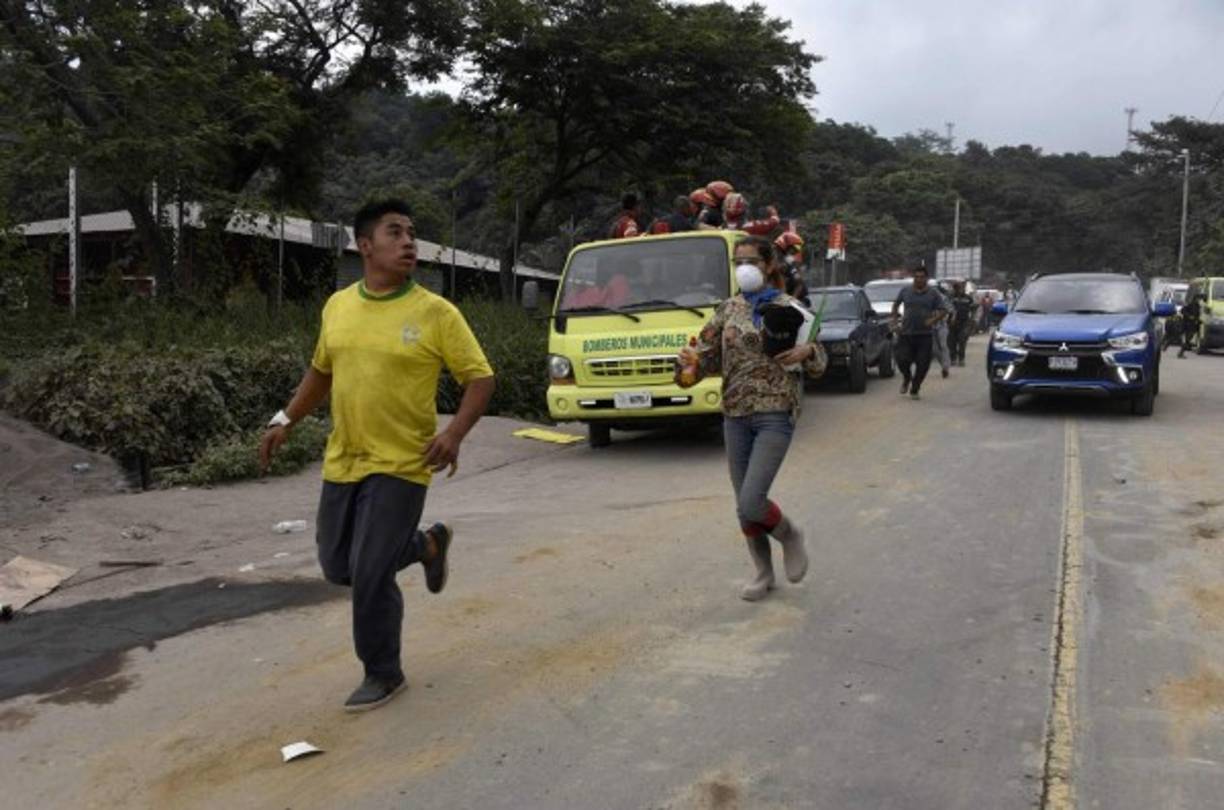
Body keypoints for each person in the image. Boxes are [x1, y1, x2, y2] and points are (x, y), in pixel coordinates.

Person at [258, 199, 496, 712]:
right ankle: (428, 546)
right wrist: (285, 419)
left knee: (369, 573)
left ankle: (383, 672)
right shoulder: (338, 306)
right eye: (395, 233)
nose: (409, 241)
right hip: (344, 459)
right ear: (365, 245)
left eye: (412, 233)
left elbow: (480, 377)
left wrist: (454, 434)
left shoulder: (435, 312)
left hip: (404, 463)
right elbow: (321, 371)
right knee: (337, 566)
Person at [676, 236, 825, 602]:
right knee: (743, 504)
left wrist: (808, 350)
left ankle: (790, 535)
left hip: (775, 412)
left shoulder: (793, 308)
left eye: (752, 261)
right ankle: (763, 572)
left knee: (751, 501)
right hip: (735, 415)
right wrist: (688, 366)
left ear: (769, 264)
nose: (744, 268)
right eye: (737, 261)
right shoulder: (727, 310)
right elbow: (705, 360)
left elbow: (820, 364)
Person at [891, 266, 946, 400]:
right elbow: (896, 305)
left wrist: (932, 320)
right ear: (913, 278)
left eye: (922, 277)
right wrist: (894, 322)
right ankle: (907, 378)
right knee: (901, 360)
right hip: (906, 333)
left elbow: (944, 310)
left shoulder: (933, 293)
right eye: (917, 277)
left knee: (923, 365)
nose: (919, 279)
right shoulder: (906, 291)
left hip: (925, 335)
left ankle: (915, 388)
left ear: (926, 278)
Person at [775, 232, 810, 307]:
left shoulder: (789, 262)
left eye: (796, 249)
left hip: (795, 301)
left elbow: (799, 283)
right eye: (793, 249)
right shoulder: (778, 261)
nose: (795, 252)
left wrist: (792, 300)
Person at [948, 281, 976, 366]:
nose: (959, 290)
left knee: (962, 340)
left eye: (961, 288)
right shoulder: (950, 298)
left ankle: (961, 359)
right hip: (951, 323)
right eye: (957, 288)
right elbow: (946, 309)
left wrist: (972, 320)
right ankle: (953, 358)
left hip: (964, 323)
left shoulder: (968, 298)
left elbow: (974, 309)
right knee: (952, 342)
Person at [931, 285, 954, 378]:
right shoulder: (926, 299)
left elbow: (951, 310)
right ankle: (943, 364)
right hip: (931, 326)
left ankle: (945, 367)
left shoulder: (943, 299)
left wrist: (950, 320)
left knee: (943, 345)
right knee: (934, 349)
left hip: (942, 325)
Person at [1179, 293, 1203, 358]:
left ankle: (1182, 352)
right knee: (1187, 339)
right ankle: (1180, 353)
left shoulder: (1197, 305)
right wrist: (1189, 316)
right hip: (1187, 324)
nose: (1200, 300)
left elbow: (1196, 316)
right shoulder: (1190, 304)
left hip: (1192, 325)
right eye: (1199, 299)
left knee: (1189, 339)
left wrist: (1199, 321)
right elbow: (1182, 310)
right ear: (1195, 299)